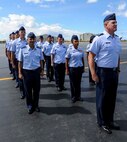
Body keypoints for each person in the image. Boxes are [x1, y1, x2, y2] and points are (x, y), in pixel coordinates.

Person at [88, 13, 122, 134]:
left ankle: (110, 120)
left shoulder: (117, 39)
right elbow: (91, 56)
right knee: (102, 98)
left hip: (113, 73)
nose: (116, 24)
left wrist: (117, 68)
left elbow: (117, 55)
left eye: (116, 22)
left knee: (112, 98)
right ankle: (102, 122)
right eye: (113, 23)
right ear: (105, 24)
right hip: (103, 73)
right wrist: (93, 73)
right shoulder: (99, 39)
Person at [18, 32, 44, 114]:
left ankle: (35, 105)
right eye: (30, 39)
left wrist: (42, 70)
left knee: (36, 90)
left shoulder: (39, 50)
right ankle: (29, 106)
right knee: (28, 91)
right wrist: (19, 73)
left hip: (36, 72)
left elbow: (41, 60)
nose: (32, 40)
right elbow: (20, 62)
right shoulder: (23, 49)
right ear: (27, 40)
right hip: (27, 72)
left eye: (33, 39)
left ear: (35, 39)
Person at [65, 35, 85, 103]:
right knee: (73, 83)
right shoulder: (69, 50)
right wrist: (67, 70)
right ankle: (73, 97)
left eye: (78, 41)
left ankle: (78, 96)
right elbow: (67, 60)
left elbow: (82, 58)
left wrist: (83, 67)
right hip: (72, 69)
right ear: (72, 42)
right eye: (75, 41)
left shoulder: (81, 49)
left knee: (78, 83)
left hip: (79, 68)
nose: (77, 42)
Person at [11, 26, 27, 98]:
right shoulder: (15, 42)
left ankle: (26, 91)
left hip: (26, 62)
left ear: (25, 33)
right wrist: (12, 62)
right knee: (20, 77)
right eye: (21, 32)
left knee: (26, 77)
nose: (22, 33)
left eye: (24, 32)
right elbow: (12, 53)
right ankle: (22, 91)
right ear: (19, 33)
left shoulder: (27, 41)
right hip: (18, 61)